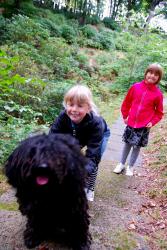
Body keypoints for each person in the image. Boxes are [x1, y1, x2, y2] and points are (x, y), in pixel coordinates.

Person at [49, 85, 110, 201]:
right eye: (71, 105)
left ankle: (90, 188)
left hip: (99, 135)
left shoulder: (96, 123)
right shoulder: (63, 117)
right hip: (75, 135)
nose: (74, 109)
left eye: (80, 106)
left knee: (94, 162)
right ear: (66, 105)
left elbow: (92, 155)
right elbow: (53, 139)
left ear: (89, 108)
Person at [113, 63, 164, 176]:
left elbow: (159, 113)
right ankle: (121, 164)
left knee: (137, 147)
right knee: (127, 144)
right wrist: (125, 116)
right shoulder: (135, 87)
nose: (152, 75)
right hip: (131, 123)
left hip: (144, 126)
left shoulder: (158, 94)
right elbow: (126, 103)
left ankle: (130, 167)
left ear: (158, 78)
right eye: (150, 72)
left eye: (156, 74)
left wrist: (152, 122)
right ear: (146, 73)